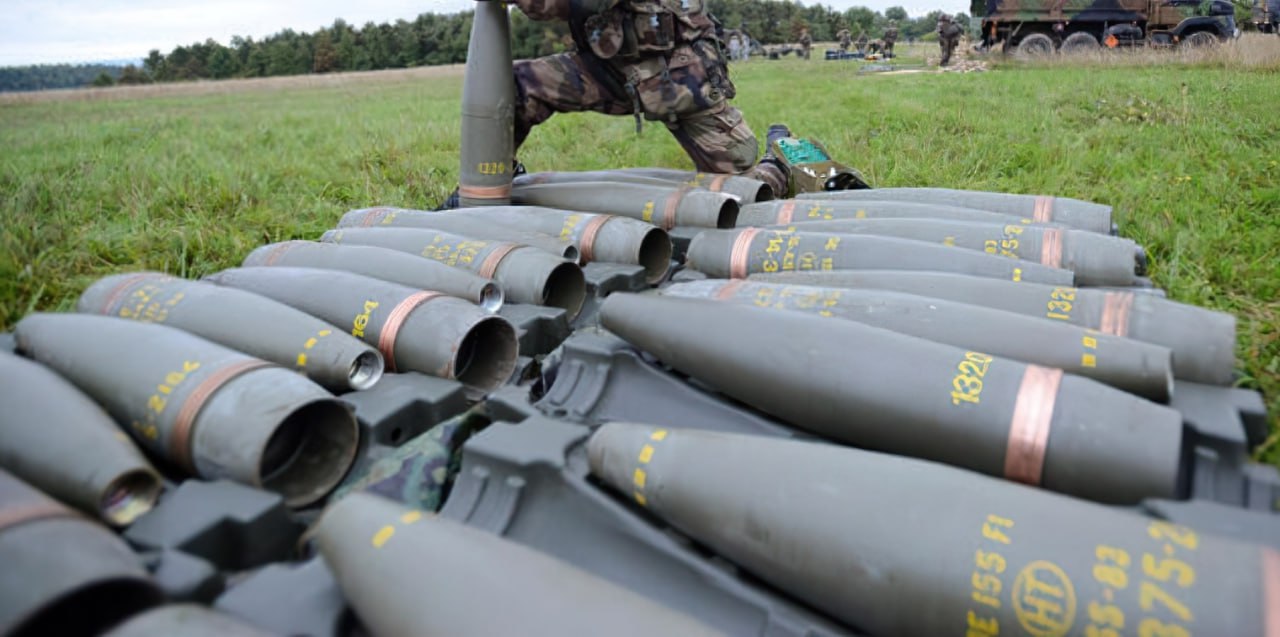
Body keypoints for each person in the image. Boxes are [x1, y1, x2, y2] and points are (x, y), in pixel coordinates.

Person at [504, 0, 788, 197]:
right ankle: (494, 179)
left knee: (742, 192)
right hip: (613, 71)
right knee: (517, 86)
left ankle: (777, 166)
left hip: (682, 79)